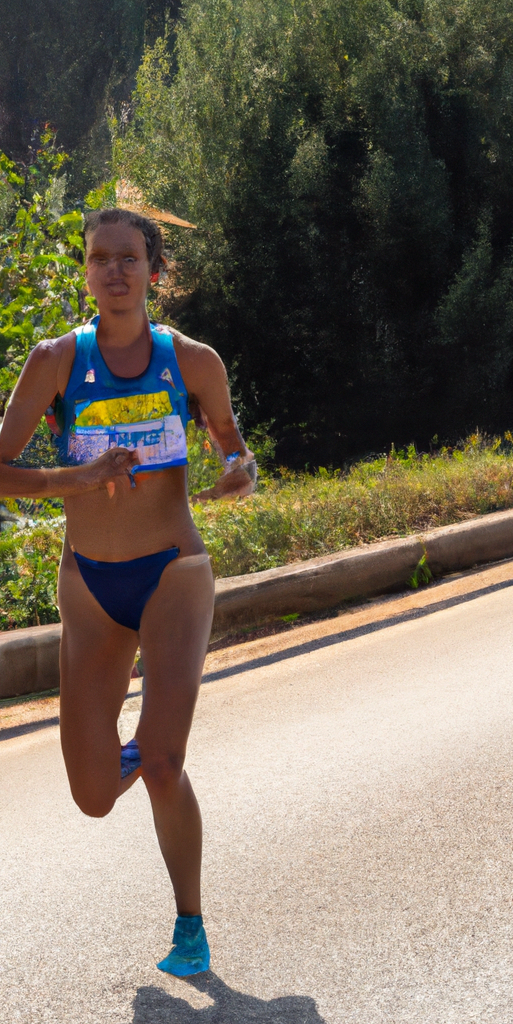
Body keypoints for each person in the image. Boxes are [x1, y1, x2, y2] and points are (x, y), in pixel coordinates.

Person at [0, 208, 256, 975]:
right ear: (85, 269)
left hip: (174, 569)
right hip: (90, 585)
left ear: (154, 269)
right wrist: (75, 478)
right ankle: (146, 746)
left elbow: (233, 446)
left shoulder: (193, 361)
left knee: (167, 763)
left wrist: (239, 473)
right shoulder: (54, 362)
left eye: (129, 258)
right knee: (92, 794)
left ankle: (190, 925)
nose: (114, 271)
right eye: (98, 258)